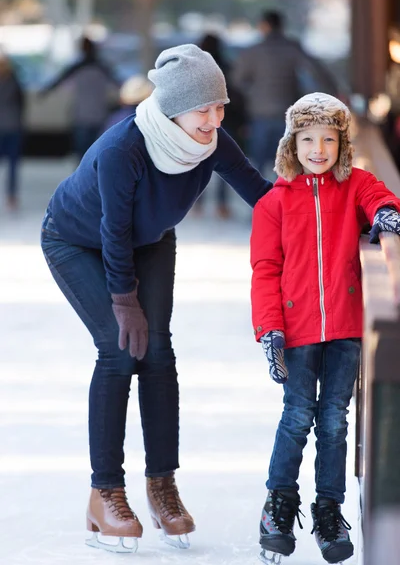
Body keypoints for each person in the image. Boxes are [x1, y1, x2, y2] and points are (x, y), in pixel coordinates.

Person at [40, 44, 272, 554]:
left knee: (159, 353)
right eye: (202, 109)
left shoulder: (212, 141)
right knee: (120, 350)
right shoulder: (124, 148)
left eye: (220, 107)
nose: (213, 120)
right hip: (76, 241)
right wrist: (125, 304)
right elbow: (112, 232)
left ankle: (162, 486)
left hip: (149, 240)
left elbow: (262, 194)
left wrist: (328, 217)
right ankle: (105, 494)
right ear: (172, 109)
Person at [250, 93, 400, 565]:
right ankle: (279, 503)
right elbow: (265, 269)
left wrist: (385, 215)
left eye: (329, 140)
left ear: (342, 144)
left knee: (334, 421)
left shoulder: (353, 184)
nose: (318, 148)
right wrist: (270, 330)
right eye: (308, 139)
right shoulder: (273, 202)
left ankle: (328, 508)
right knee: (296, 417)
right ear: (292, 144)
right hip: (294, 331)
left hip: (345, 326)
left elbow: (379, 193)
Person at [232, 10, 338, 179]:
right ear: (281, 27)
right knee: (286, 164)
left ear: (264, 26)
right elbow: (317, 72)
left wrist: (253, 94)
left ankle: (259, 201)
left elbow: (237, 81)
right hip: (287, 113)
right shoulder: (292, 48)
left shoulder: (253, 51)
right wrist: (333, 94)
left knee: (257, 166)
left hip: (260, 114)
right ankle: (283, 202)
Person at [40, 36, 119, 162]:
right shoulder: (102, 68)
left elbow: (57, 81)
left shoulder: (78, 67)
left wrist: (44, 92)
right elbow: (119, 84)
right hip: (99, 114)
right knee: (97, 151)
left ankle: (83, 179)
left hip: (81, 115)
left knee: (82, 154)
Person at [193, 33, 247, 219]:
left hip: (198, 122)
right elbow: (237, 96)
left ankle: (196, 203)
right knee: (225, 162)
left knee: (198, 162)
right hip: (225, 121)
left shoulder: (194, 70)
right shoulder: (226, 68)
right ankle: (221, 205)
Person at [0, 53, 25, 210]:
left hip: (9, 127)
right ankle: (11, 197)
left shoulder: (14, 82)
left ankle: (11, 196)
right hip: (13, 126)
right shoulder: (15, 83)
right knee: (13, 165)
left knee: (13, 165)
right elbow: (22, 104)